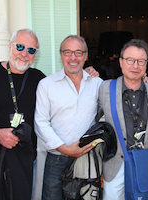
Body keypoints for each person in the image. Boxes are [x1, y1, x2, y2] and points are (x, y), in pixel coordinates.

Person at [0, 29, 98, 200]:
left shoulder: (40, 80)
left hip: (23, 163)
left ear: (35, 54)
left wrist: (86, 74)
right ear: (10, 46)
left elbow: (66, 87)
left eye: (31, 50)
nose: (24, 54)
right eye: (20, 47)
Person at [34, 35, 103, 200]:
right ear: (61, 55)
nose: (73, 57)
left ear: (86, 56)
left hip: (88, 159)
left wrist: (143, 81)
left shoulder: (98, 84)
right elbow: (41, 122)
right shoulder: (47, 84)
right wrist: (65, 149)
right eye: (67, 52)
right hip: (57, 159)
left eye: (78, 52)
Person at [97, 39, 148, 200]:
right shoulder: (105, 88)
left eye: (141, 61)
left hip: (145, 163)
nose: (135, 65)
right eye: (130, 60)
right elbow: (91, 116)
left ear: (146, 64)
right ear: (121, 62)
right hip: (115, 164)